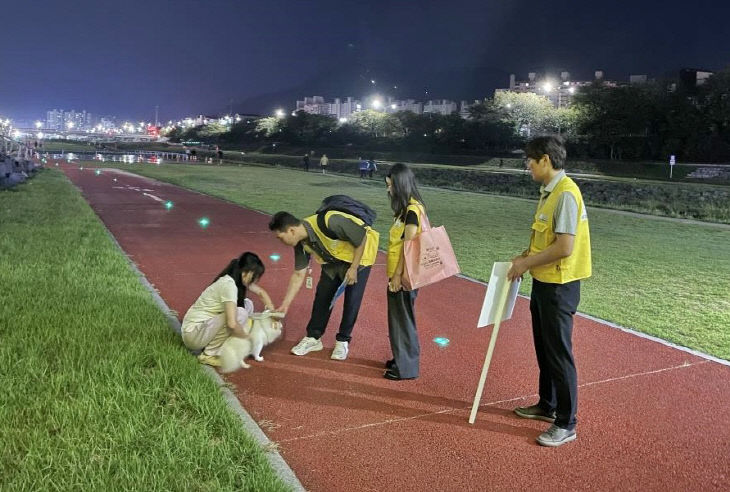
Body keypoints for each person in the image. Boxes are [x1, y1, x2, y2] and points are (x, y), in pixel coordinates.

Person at [506, 136, 592, 447]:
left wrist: (526, 263)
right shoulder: (549, 194)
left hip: (560, 285)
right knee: (544, 349)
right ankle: (548, 404)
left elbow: (565, 247)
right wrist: (523, 257)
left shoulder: (566, 194)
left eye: (529, 159)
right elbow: (544, 241)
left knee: (559, 353)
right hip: (544, 283)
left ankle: (567, 422)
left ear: (545, 159)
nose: (526, 165)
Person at [268, 207, 379, 360]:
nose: (281, 242)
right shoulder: (300, 242)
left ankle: (343, 341)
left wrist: (353, 268)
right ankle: (313, 338)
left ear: (291, 231)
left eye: (280, 237)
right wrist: (285, 304)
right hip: (333, 261)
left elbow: (361, 238)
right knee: (323, 296)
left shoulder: (330, 220)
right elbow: (299, 273)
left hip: (359, 259)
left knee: (352, 300)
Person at [181, 252, 275, 367]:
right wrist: (249, 339)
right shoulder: (229, 285)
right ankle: (208, 354)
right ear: (249, 273)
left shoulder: (237, 278)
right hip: (193, 334)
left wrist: (273, 313)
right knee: (240, 313)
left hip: (201, 330)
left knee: (247, 304)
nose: (255, 281)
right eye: (255, 277)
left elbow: (261, 292)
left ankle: (219, 345)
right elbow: (232, 324)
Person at [383, 163, 424, 380]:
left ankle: (406, 367)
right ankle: (402, 357)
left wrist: (397, 276)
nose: (388, 190)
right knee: (400, 317)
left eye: (391, 186)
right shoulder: (406, 210)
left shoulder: (412, 211)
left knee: (402, 319)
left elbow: (408, 246)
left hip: (404, 276)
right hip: (400, 273)